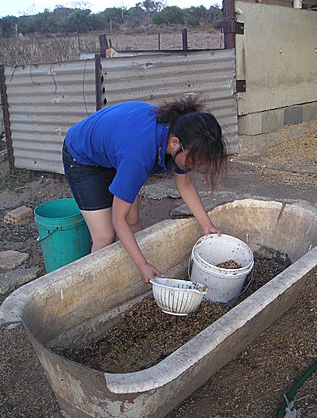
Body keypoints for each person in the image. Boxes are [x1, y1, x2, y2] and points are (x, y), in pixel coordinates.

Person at [62, 97, 227, 283]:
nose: (195, 166)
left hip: (117, 147)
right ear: (174, 143)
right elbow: (118, 218)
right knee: (105, 235)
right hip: (82, 155)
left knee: (133, 219)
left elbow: (185, 184)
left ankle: (143, 267)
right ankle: (93, 287)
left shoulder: (181, 135)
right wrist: (143, 265)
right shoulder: (139, 154)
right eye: (193, 161)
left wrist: (207, 225)